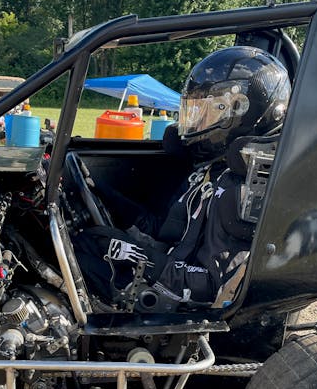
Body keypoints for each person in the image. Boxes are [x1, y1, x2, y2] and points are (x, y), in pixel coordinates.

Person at [73, 45, 291, 311]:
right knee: (92, 239)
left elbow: (214, 287)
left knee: (88, 249)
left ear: (238, 111)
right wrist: (101, 192)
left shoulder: (238, 190)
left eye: (207, 109)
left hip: (184, 298)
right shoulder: (209, 171)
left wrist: (149, 263)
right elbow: (163, 231)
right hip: (174, 265)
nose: (196, 120)